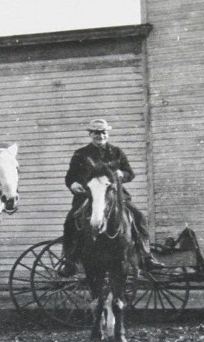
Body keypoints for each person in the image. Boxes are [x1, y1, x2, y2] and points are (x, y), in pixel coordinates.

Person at [57, 119, 164, 277]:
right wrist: (73, 184)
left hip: (115, 195)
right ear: (90, 134)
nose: (100, 136)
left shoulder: (116, 152)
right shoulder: (80, 154)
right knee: (70, 221)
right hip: (88, 196)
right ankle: (70, 260)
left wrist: (122, 174)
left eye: (103, 132)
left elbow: (130, 173)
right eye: (96, 133)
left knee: (139, 217)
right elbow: (70, 177)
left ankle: (145, 256)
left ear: (108, 133)